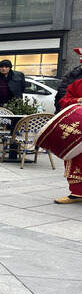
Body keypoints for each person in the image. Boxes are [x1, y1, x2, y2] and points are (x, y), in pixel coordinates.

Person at [53, 49, 82, 204]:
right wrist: (77, 101)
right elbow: (63, 100)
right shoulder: (76, 82)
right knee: (74, 157)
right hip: (77, 125)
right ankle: (76, 193)